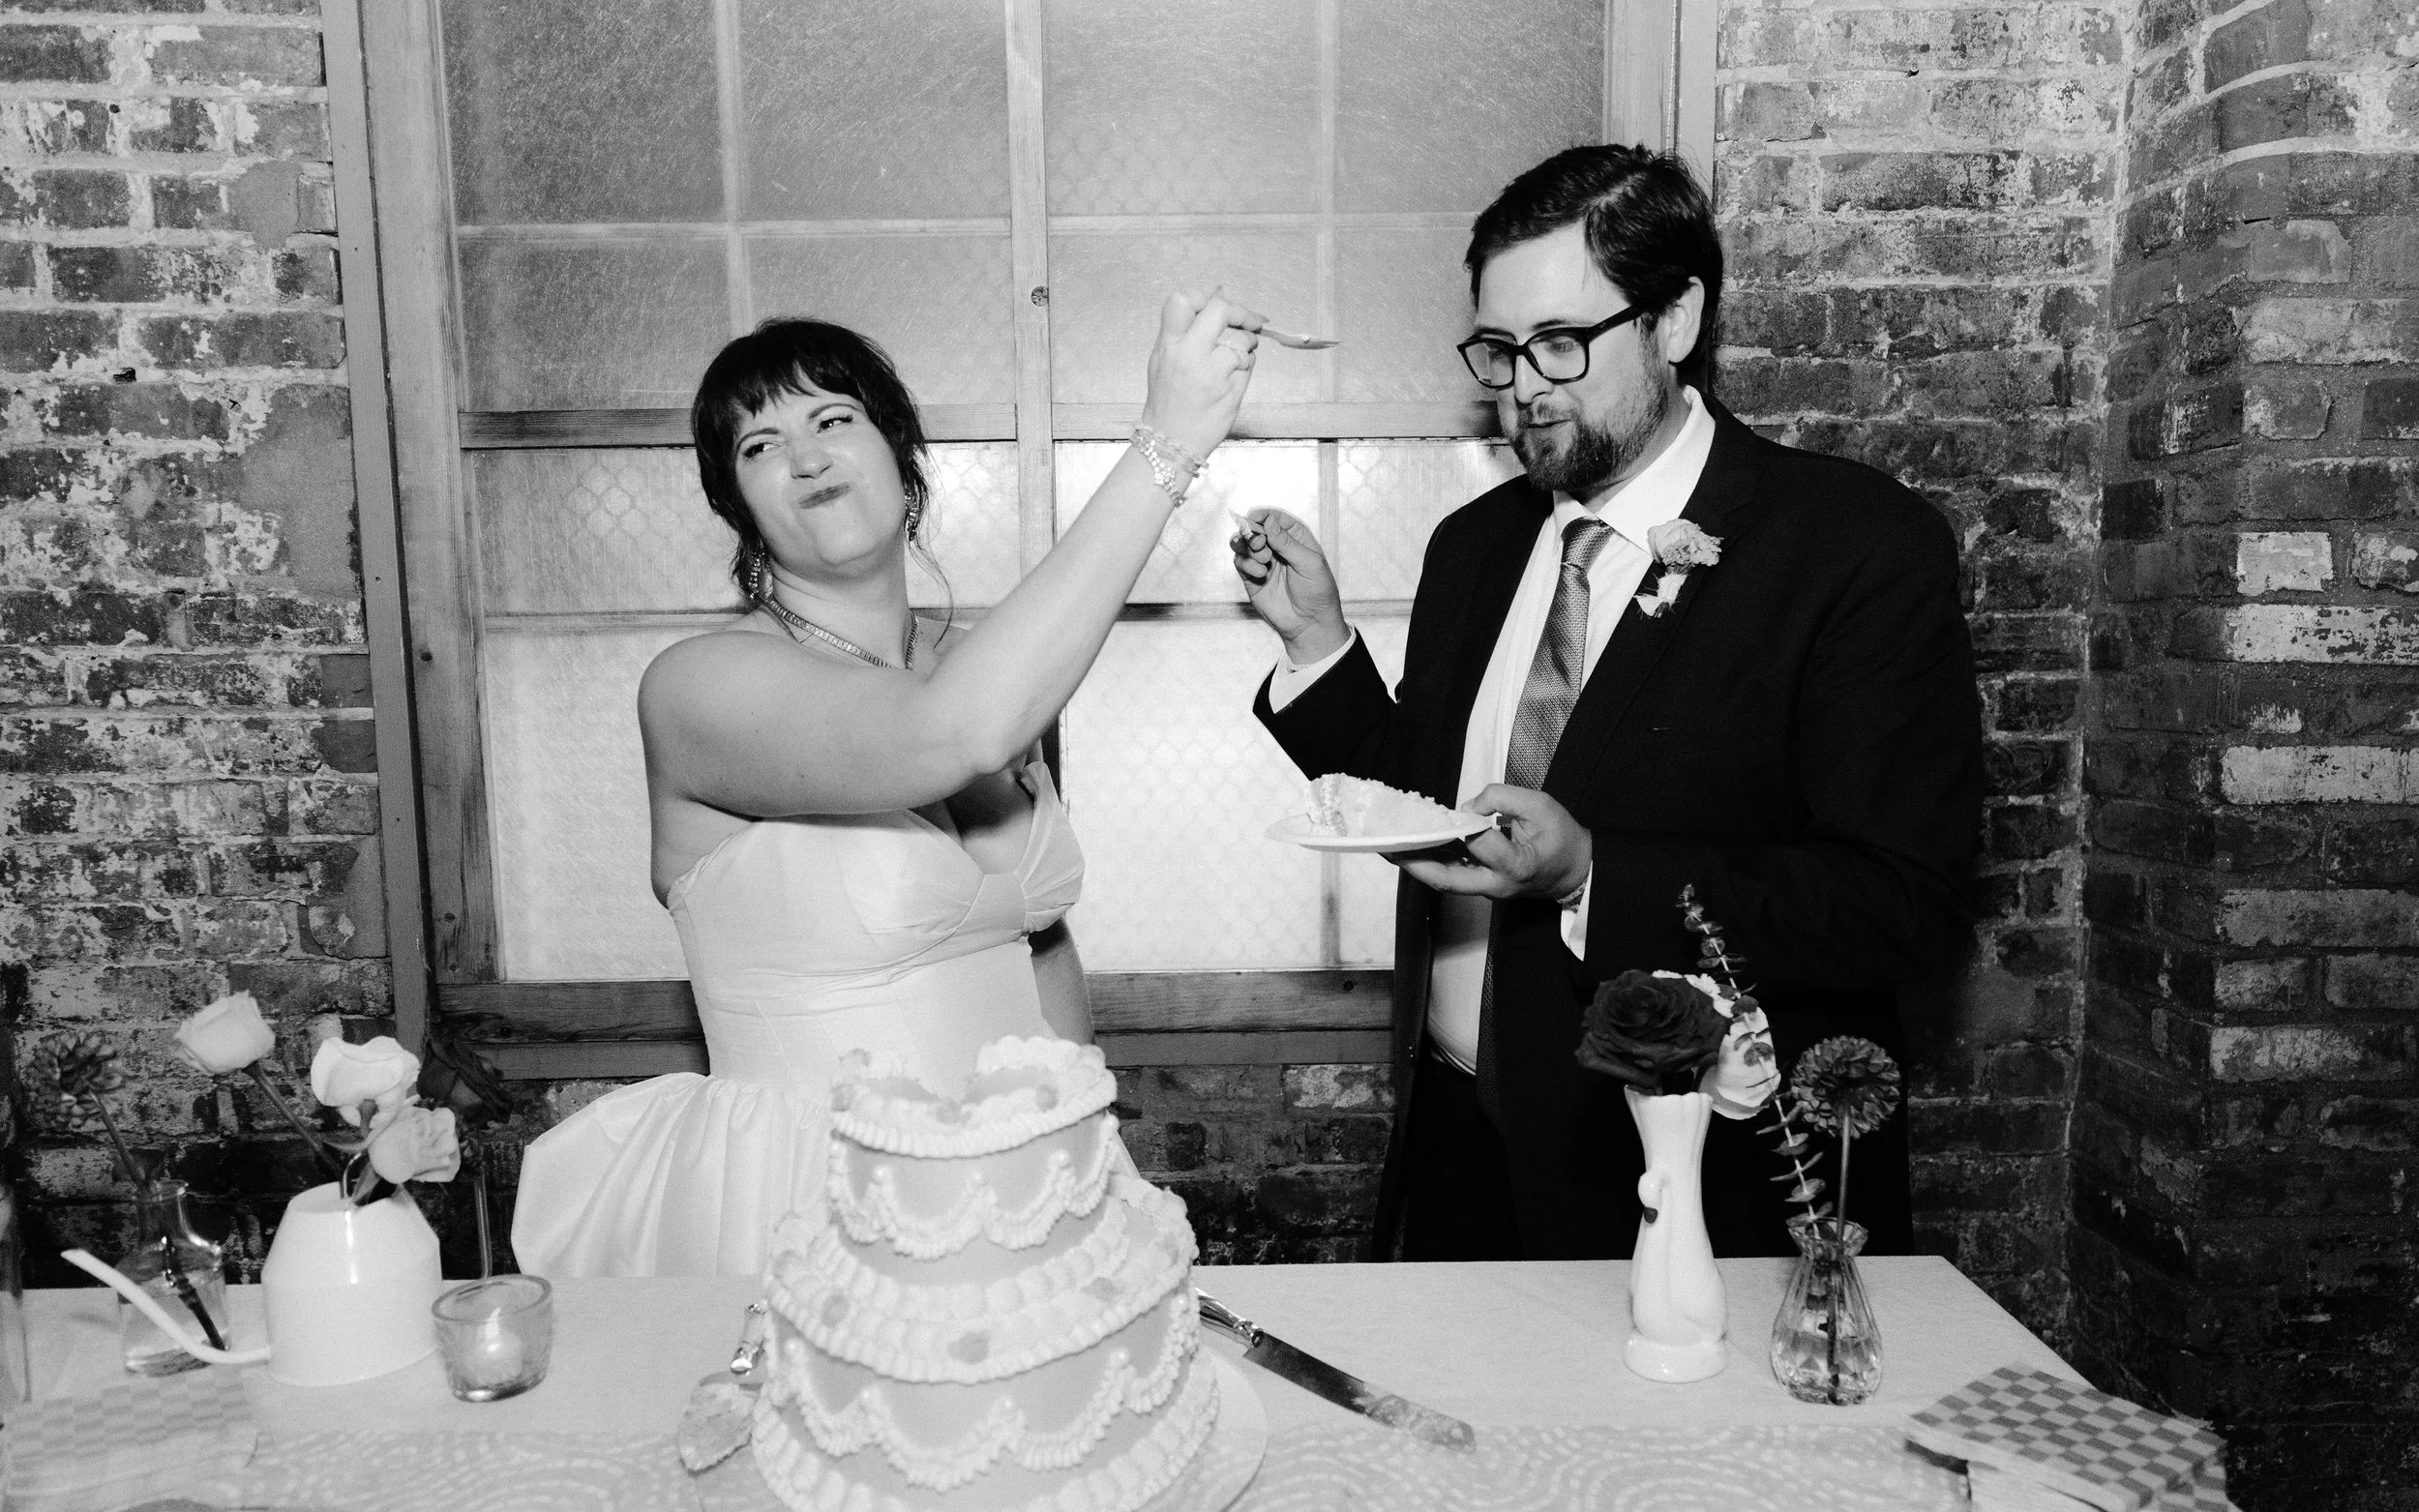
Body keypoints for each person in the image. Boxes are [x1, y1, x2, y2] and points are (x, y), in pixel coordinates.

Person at [1232, 145, 1982, 1262]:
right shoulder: (1474, 546)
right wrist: (1317, 646)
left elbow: (1901, 901)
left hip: (1684, 1175)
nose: (1523, 385)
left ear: (1675, 320)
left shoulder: (1853, 546)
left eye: (1561, 343)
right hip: (1456, 1142)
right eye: (1498, 349)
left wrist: (1593, 875)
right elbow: (1444, 809)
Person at [512, 293, 1262, 1277]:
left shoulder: (969, 662)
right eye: (759, 446)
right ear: (734, 503)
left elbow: (1028, 932)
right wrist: (1165, 445)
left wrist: (1089, 1137)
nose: (807, 457)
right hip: (813, 1200)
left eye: (833, 420)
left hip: (1026, 1175)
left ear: (900, 453)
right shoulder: (699, 686)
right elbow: (950, 734)